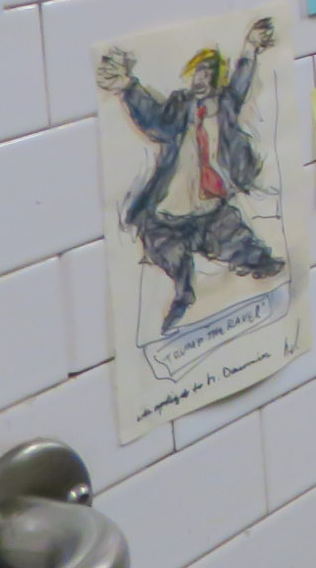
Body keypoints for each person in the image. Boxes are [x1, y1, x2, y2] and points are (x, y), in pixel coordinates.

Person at [96, 18, 286, 335]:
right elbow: (156, 119)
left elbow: (241, 83)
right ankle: (183, 296)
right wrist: (129, 88)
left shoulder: (225, 105)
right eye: (197, 73)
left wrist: (251, 46)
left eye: (208, 74)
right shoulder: (181, 106)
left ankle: (259, 261)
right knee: (171, 254)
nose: (200, 80)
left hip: (209, 207)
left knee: (236, 239)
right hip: (170, 209)